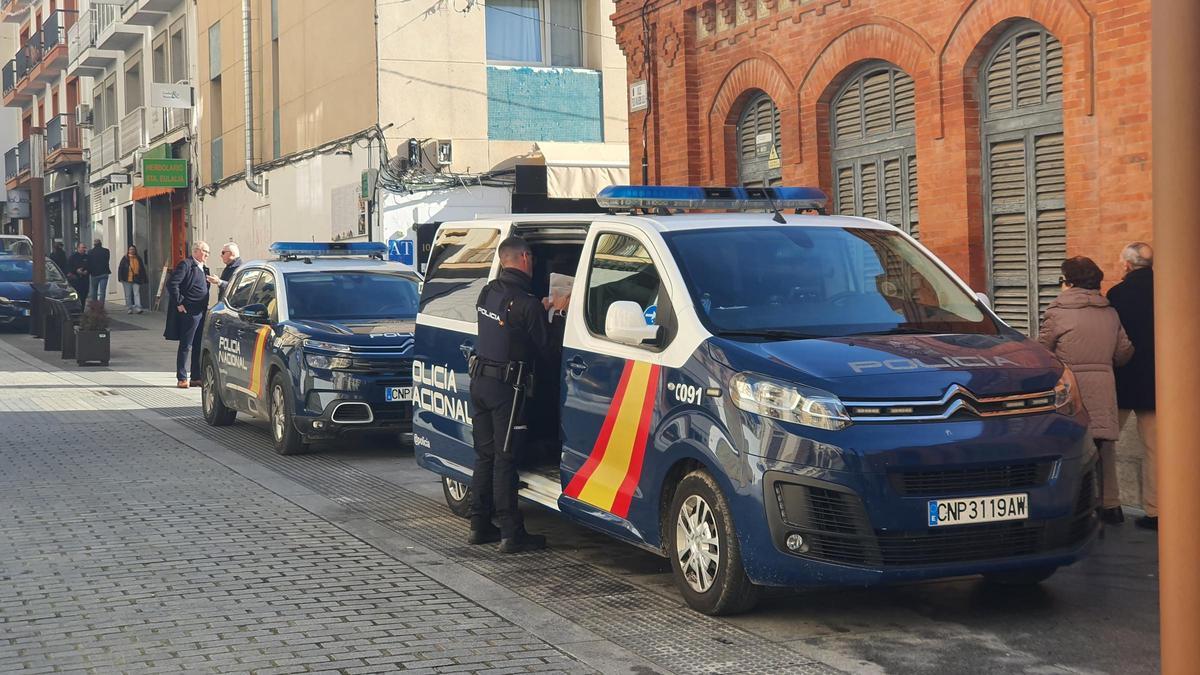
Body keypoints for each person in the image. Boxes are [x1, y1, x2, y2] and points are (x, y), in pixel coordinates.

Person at [469, 236, 552, 553]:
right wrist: (548, 314)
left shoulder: (487, 292)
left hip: (480, 383)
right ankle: (511, 533)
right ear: (526, 258)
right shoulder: (528, 304)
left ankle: (479, 525)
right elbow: (546, 350)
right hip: (507, 390)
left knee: (485, 456)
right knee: (505, 459)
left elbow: (505, 322)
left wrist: (535, 310)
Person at [1038, 256, 1134, 525]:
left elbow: (1043, 351)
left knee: (1071, 447)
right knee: (1104, 448)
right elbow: (1124, 352)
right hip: (1104, 384)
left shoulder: (1057, 312)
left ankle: (1076, 506)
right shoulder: (1110, 312)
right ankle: (1111, 506)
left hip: (1071, 389)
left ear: (1068, 282)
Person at [1107, 242, 1158, 530]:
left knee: (1106, 446)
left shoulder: (1117, 294)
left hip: (1123, 381)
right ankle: (1157, 510)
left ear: (1127, 265)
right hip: (1157, 383)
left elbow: (1116, 340)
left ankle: (1110, 505)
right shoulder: (1168, 289)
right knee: (1157, 450)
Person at [166, 242, 212, 389]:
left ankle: (196, 377)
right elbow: (172, 283)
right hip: (190, 312)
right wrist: (179, 302)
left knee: (198, 345)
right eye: (205, 251)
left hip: (201, 311)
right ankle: (182, 377)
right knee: (186, 344)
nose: (207, 255)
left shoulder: (203, 268)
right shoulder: (186, 264)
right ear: (197, 251)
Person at [117, 245, 148, 314]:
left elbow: (142, 269)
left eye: (133, 249)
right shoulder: (125, 258)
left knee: (136, 293)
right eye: (130, 249)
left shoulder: (138, 258)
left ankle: (138, 308)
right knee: (128, 294)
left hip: (136, 279)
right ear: (128, 250)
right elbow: (120, 268)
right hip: (126, 279)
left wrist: (144, 278)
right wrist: (120, 278)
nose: (132, 251)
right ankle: (129, 308)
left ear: (135, 250)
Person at [66, 243, 89, 310]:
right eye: (82, 247)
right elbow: (68, 268)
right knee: (76, 296)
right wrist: (76, 270)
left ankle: (82, 310)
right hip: (76, 281)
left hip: (85, 280)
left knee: (83, 296)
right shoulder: (73, 257)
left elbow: (91, 266)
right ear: (78, 248)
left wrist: (87, 271)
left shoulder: (87, 257)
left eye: (84, 248)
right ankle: (76, 310)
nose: (84, 249)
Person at [87, 238, 111, 302]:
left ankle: (95, 305)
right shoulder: (106, 251)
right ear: (101, 243)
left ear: (94, 244)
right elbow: (107, 260)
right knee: (102, 291)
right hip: (104, 273)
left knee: (94, 290)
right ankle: (101, 306)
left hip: (94, 274)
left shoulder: (90, 252)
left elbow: (89, 263)